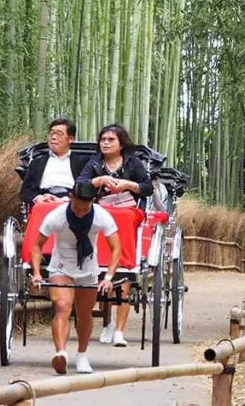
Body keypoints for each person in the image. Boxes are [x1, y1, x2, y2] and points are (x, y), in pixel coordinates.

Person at [31, 179, 121, 374]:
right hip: (61, 266)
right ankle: (61, 353)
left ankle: (82, 355)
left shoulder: (101, 216)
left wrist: (108, 277)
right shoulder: (57, 216)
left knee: (84, 313)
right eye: (77, 207)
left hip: (88, 267)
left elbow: (116, 248)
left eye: (84, 208)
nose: (80, 211)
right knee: (62, 306)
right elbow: (37, 245)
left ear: (92, 202)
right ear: (71, 197)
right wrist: (37, 273)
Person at [76, 123, 153, 347]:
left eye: (111, 140)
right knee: (95, 218)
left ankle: (119, 330)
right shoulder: (94, 163)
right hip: (102, 208)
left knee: (123, 218)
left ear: (121, 144)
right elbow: (80, 184)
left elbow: (148, 188)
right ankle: (108, 322)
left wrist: (129, 184)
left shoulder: (133, 163)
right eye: (103, 139)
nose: (106, 143)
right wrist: (99, 181)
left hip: (128, 211)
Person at [19, 118, 90, 207]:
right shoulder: (37, 162)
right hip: (43, 202)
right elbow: (25, 191)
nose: (53, 137)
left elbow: (88, 189)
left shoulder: (83, 162)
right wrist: (37, 198)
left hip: (72, 204)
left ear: (70, 139)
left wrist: (66, 200)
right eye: (51, 133)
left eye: (59, 134)